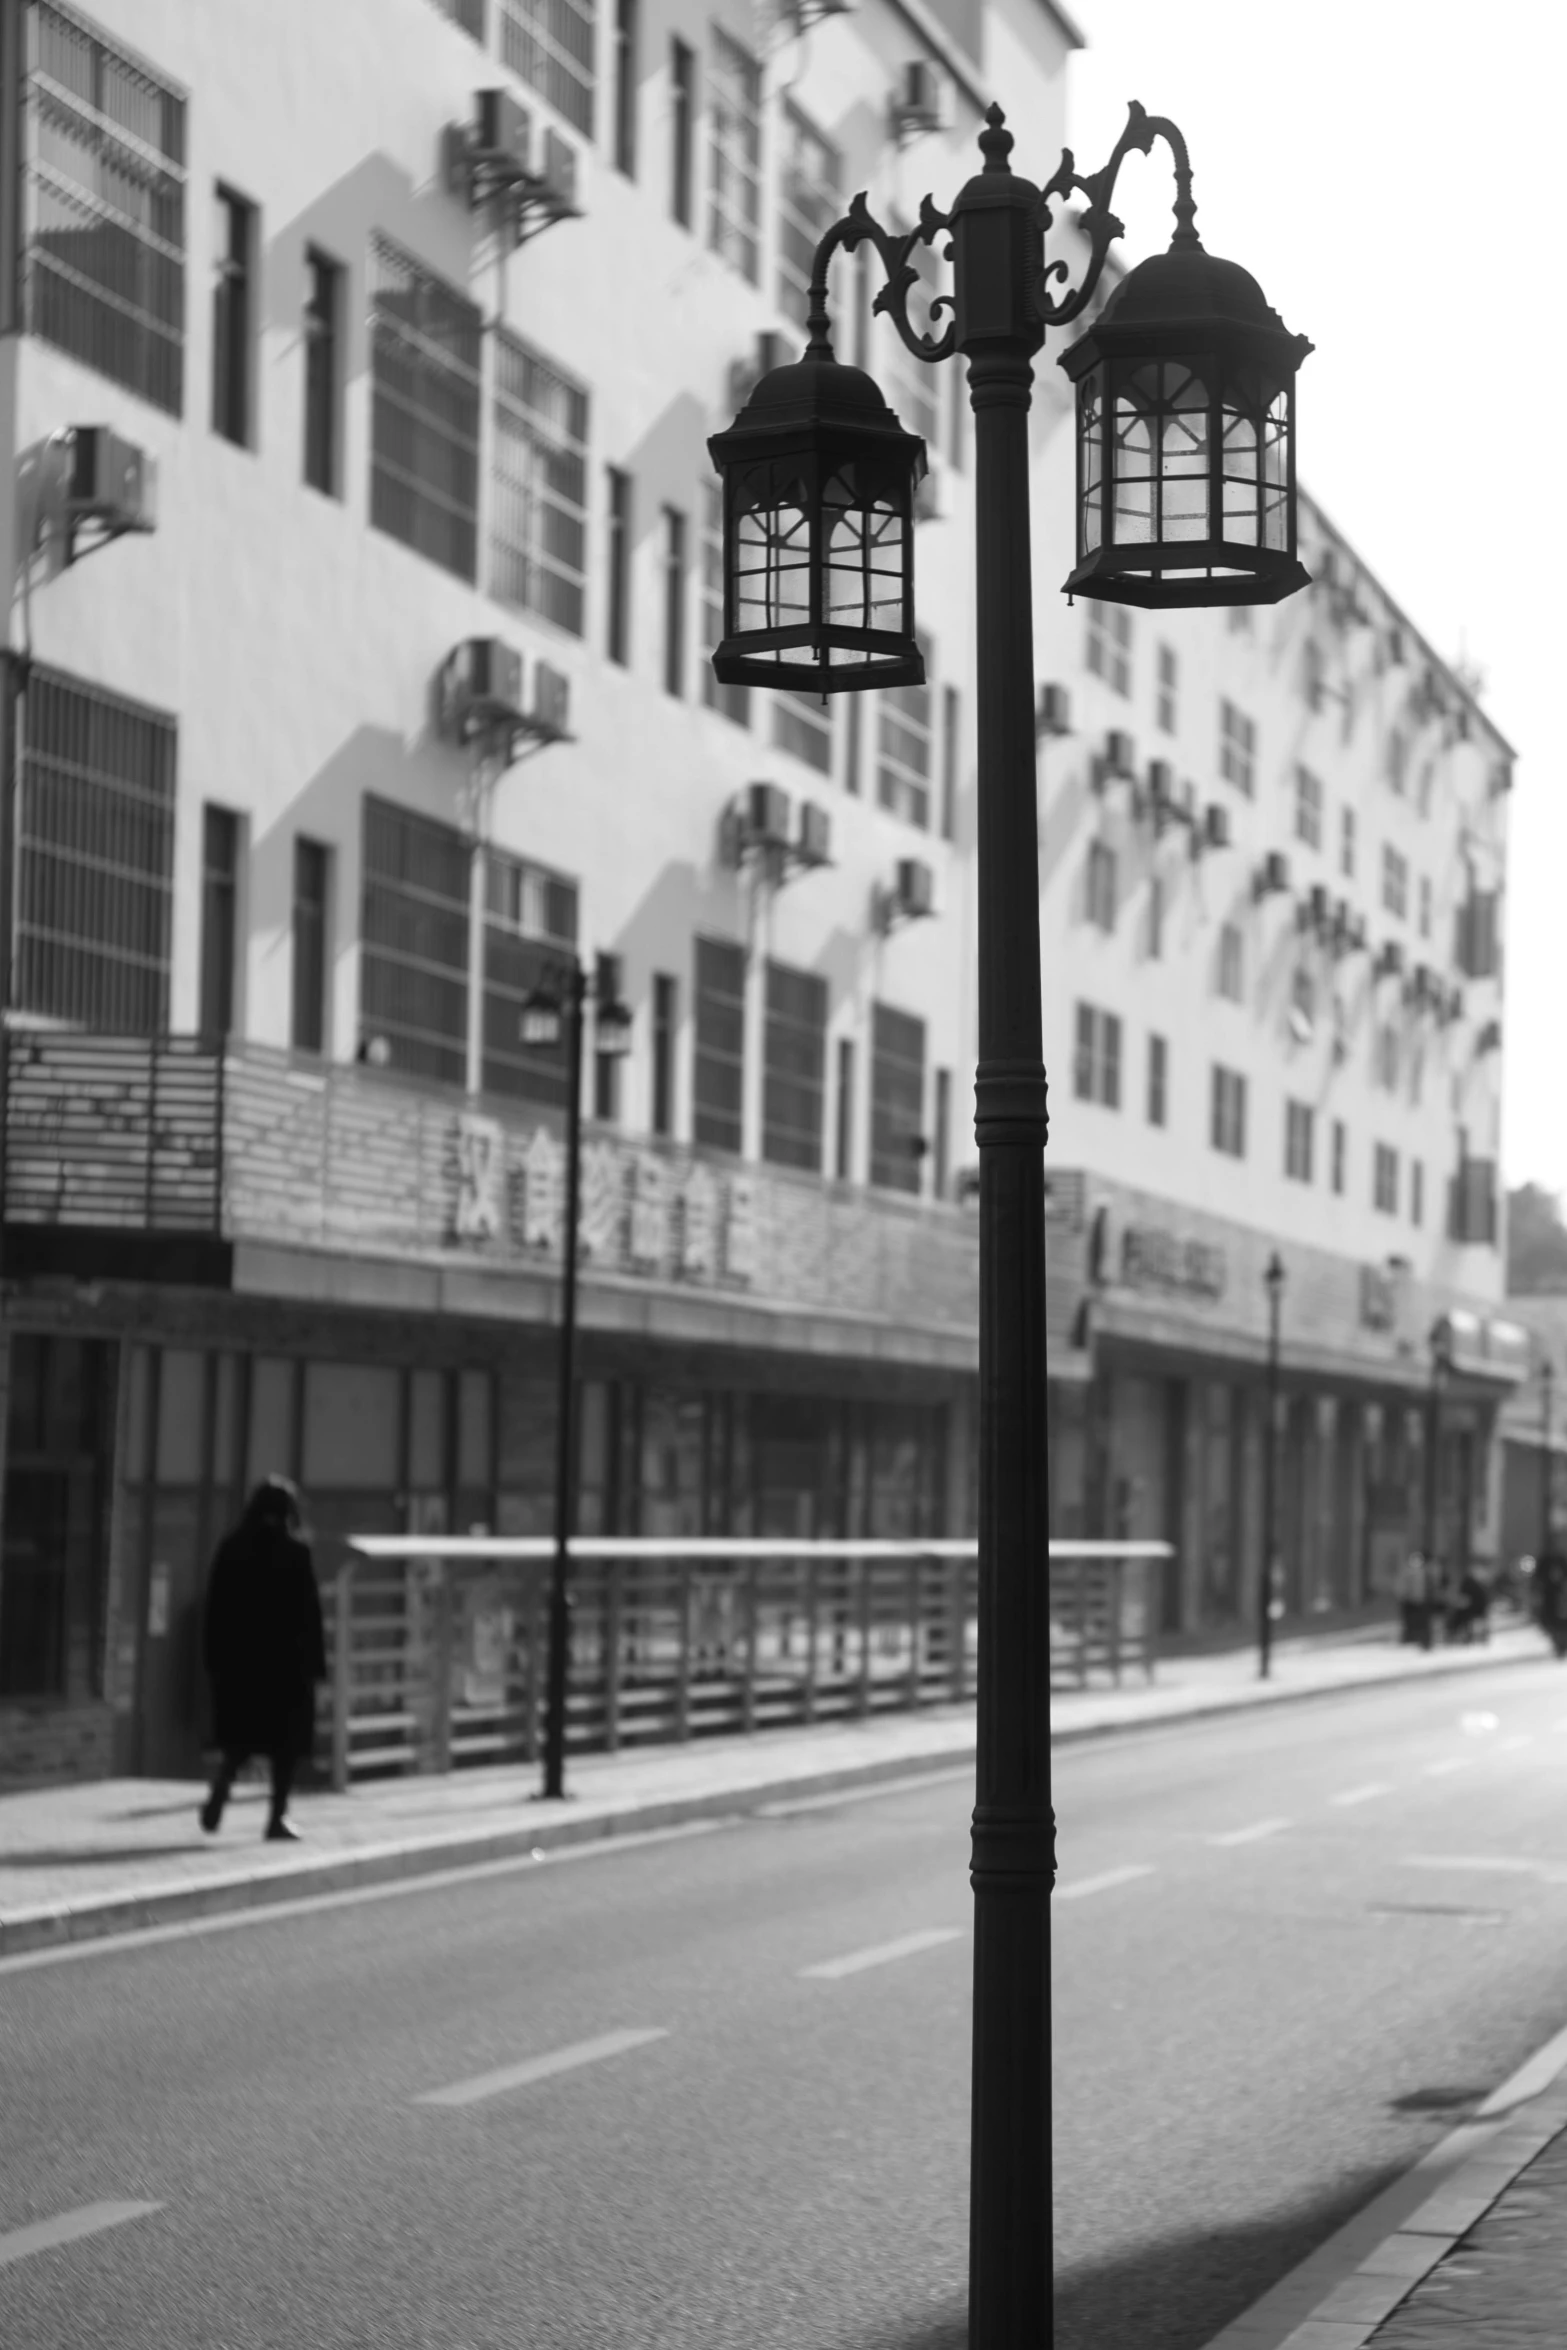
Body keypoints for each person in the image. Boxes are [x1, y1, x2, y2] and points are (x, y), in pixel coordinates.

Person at [200, 1477, 326, 1841]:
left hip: (238, 1668)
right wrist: (316, 1667)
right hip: (286, 1671)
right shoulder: (295, 1553)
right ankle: (276, 1817)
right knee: (284, 1748)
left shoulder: (232, 1548)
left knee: (240, 1740)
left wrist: (213, 1662)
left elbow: (215, 1610)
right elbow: (309, 1617)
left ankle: (222, 1787)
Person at [1535, 1548, 1567, 1661]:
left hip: (1561, 1613)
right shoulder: (1548, 1590)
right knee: (1555, 1626)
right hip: (1554, 1612)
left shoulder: (1561, 1587)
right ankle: (1559, 1645)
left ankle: (1561, 1645)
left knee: (1560, 1626)